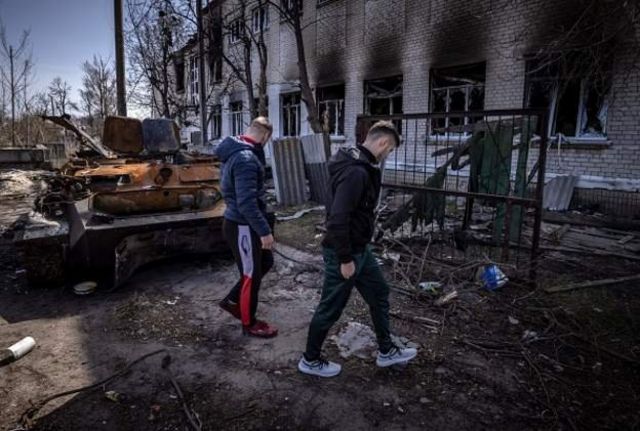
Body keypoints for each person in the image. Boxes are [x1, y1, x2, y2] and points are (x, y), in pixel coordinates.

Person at [298, 121, 417, 377]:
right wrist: (344, 259)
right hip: (346, 254)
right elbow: (338, 219)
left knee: (379, 294)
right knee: (331, 308)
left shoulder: (359, 165)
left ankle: (386, 351)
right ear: (383, 143)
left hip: (361, 251)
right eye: (390, 150)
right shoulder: (356, 173)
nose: (387, 155)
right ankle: (310, 359)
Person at [215, 116, 278, 338]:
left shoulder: (236, 149)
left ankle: (233, 301)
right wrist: (264, 231)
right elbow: (247, 202)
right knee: (251, 275)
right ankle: (249, 323)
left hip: (240, 221)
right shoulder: (245, 159)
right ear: (265, 136)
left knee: (265, 262)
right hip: (242, 225)